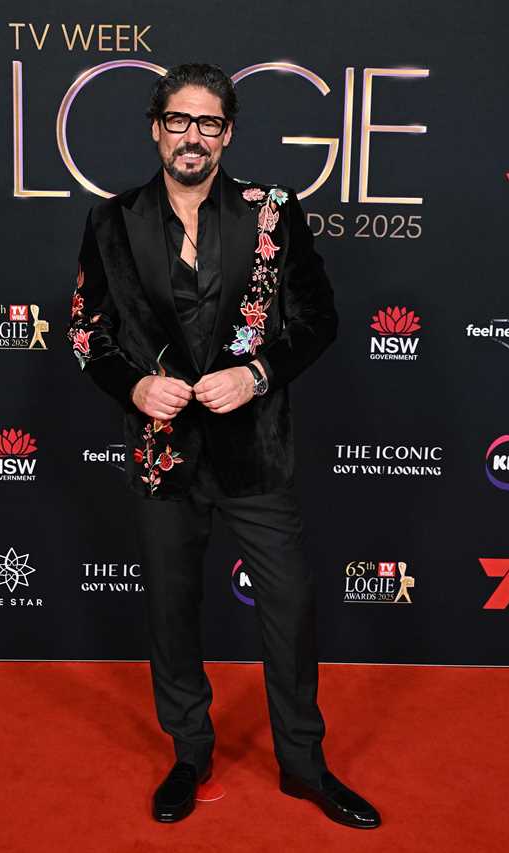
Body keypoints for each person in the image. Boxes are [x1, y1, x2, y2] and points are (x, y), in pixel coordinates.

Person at [66, 62, 380, 830]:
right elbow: (85, 330)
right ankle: (188, 751)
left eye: (209, 123)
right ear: (155, 127)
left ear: (228, 133)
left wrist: (259, 373)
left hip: (256, 451)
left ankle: (304, 764)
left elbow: (321, 319)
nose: (193, 137)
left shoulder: (272, 211)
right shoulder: (113, 220)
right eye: (179, 120)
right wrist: (134, 387)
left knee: (289, 606)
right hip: (163, 455)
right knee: (172, 611)